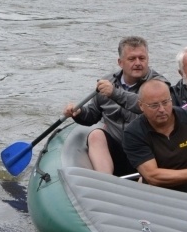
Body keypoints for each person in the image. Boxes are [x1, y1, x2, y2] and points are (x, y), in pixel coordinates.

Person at [63, 36, 168, 176]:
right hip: (116, 149)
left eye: (142, 58)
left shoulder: (159, 83)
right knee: (95, 135)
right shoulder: (107, 81)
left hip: (147, 149)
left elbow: (148, 105)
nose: (138, 63)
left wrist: (115, 93)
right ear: (120, 62)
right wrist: (79, 113)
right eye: (132, 59)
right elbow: (92, 116)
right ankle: (106, 182)